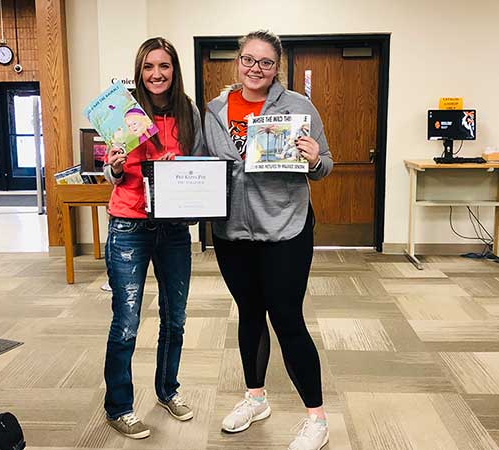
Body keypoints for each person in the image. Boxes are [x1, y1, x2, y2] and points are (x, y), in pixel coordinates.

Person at [203, 30, 333, 450]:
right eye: (248, 60)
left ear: (277, 67)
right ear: (237, 62)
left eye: (265, 62)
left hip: (285, 229)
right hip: (232, 231)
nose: (255, 69)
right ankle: (255, 398)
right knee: (249, 314)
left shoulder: (298, 107)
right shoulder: (216, 109)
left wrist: (314, 159)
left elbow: (325, 165)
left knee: (287, 318)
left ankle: (317, 418)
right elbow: (204, 166)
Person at [102, 37, 204, 440]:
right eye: (148, 67)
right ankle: (119, 407)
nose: (156, 74)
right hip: (130, 224)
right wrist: (111, 166)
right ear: (139, 70)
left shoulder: (187, 111)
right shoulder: (122, 112)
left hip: (174, 228)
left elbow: (197, 163)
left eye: (164, 66)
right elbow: (112, 172)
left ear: (174, 70)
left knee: (175, 319)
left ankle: (167, 390)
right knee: (127, 322)